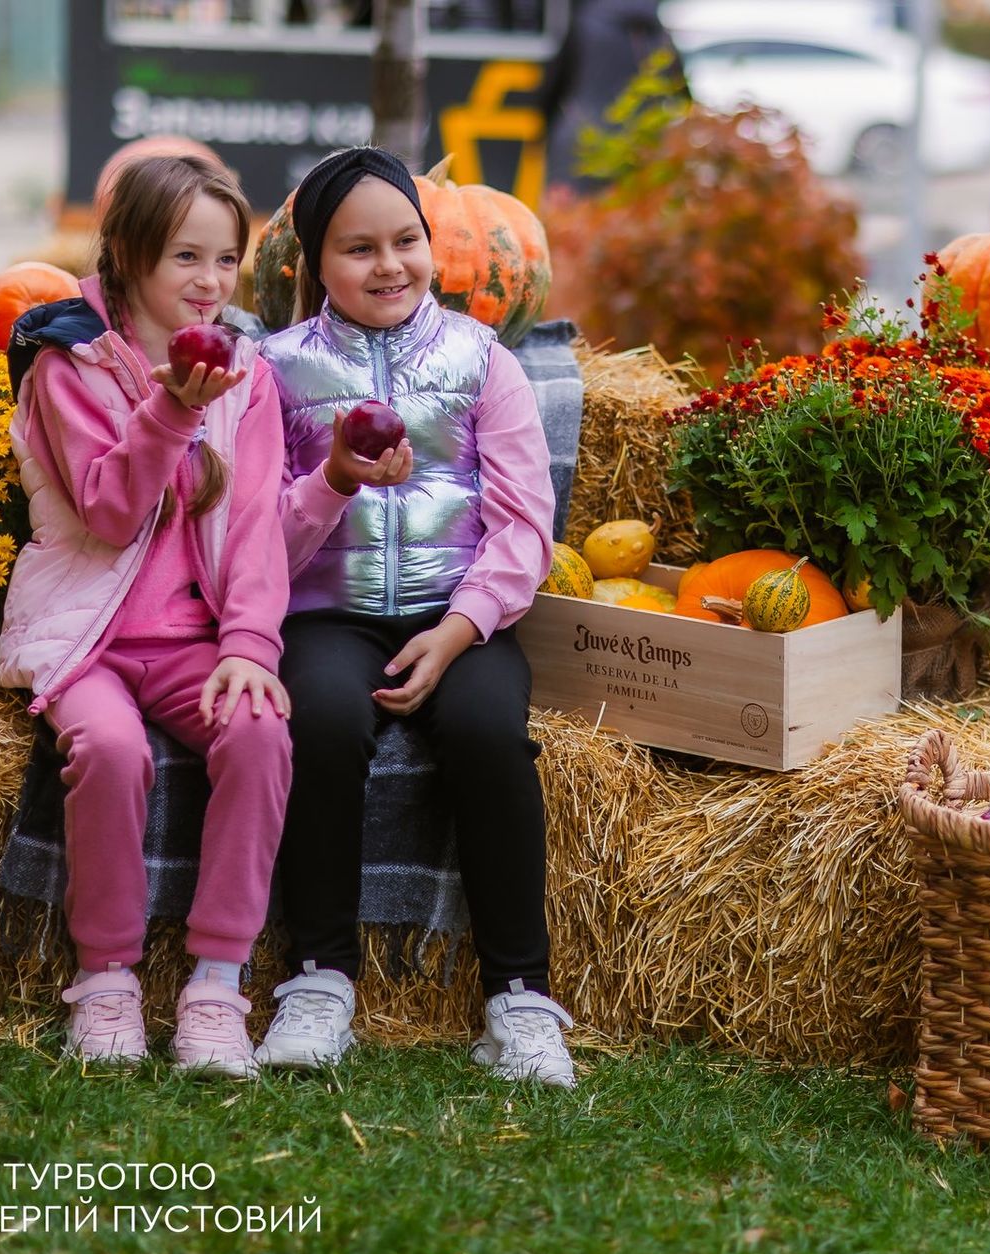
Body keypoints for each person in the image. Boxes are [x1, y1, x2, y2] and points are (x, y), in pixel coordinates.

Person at [254, 146, 573, 1087]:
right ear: (315, 262)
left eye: (406, 241)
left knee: (487, 731)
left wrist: (462, 628)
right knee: (318, 720)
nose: (389, 265)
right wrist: (333, 478)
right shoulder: (276, 371)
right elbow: (257, 541)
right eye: (359, 249)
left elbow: (525, 526)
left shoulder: (483, 362)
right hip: (329, 614)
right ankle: (319, 979)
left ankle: (520, 996)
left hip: (460, 612)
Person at [0, 153, 294, 1078]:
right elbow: (110, 513)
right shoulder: (68, 360)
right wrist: (170, 408)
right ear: (128, 255)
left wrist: (248, 646)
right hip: (85, 632)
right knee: (112, 750)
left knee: (259, 731)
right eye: (186, 258)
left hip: (189, 641)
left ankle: (216, 985)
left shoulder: (246, 375)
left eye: (226, 259)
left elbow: (257, 528)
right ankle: (106, 979)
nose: (211, 283)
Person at [535, 0, 687, 195]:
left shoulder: (583, 25)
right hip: (643, 143)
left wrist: (542, 125)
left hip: (580, 141)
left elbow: (555, 81)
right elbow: (680, 94)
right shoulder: (659, 33)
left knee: (571, 211)